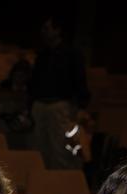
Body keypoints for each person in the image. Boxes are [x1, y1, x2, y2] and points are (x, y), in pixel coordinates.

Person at [29, 16, 91, 171]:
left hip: (60, 106)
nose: (44, 32)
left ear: (58, 30)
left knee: (60, 151)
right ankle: (41, 183)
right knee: (39, 150)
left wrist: (82, 105)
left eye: (47, 28)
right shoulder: (42, 55)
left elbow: (79, 80)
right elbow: (34, 81)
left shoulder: (71, 54)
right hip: (40, 105)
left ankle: (59, 185)